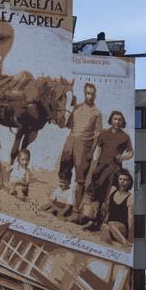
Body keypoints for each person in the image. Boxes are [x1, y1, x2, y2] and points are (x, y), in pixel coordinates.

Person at [81, 110, 134, 228]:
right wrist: (95, 165)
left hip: (114, 169)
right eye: (115, 119)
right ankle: (91, 219)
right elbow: (98, 150)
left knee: (107, 194)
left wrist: (123, 157)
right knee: (96, 191)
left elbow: (131, 153)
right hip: (101, 167)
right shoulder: (104, 134)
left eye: (120, 120)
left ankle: (102, 222)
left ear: (122, 122)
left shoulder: (125, 137)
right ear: (111, 120)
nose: (117, 121)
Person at [56, 82, 102, 216]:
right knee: (63, 172)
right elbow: (66, 125)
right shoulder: (76, 108)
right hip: (70, 141)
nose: (90, 96)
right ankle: (62, 202)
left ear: (95, 95)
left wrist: (91, 152)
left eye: (92, 94)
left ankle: (75, 209)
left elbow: (98, 135)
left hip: (84, 146)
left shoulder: (97, 113)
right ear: (84, 93)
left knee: (80, 179)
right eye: (88, 93)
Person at [101, 170, 135, 245]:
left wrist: (130, 237)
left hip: (122, 228)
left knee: (111, 224)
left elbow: (131, 218)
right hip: (110, 226)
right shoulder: (112, 191)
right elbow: (108, 210)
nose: (122, 181)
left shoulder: (130, 197)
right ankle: (110, 246)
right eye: (120, 179)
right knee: (105, 228)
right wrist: (104, 222)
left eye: (125, 180)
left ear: (129, 182)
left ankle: (125, 242)